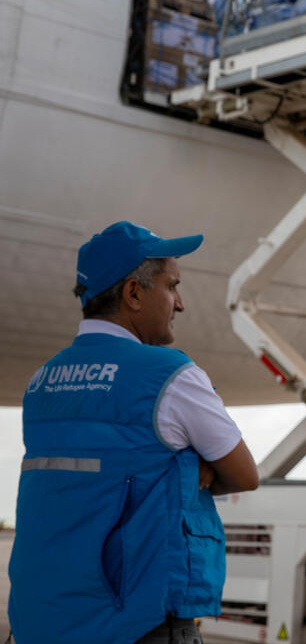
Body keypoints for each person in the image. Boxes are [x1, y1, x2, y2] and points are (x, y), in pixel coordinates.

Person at [7, 221, 260, 644]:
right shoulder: (170, 376)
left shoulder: (41, 383)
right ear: (134, 293)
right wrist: (194, 469)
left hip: (46, 622)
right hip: (137, 625)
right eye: (172, 286)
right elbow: (245, 474)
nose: (180, 304)